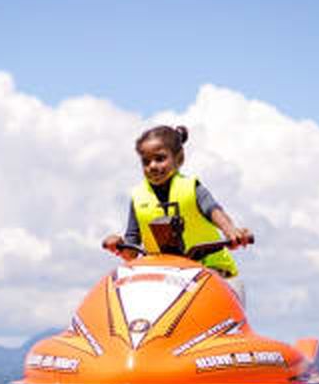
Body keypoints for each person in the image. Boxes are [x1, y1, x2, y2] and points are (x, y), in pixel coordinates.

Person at [102, 125, 253, 304]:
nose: (153, 166)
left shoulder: (191, 188)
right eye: (146, 161)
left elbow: (214, 210)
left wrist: (231, 232)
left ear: (178, 158)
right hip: (167, 285)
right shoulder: (138, 198)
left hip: (214, 275)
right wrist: (118, 244)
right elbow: (131, 253)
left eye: (160, 159)